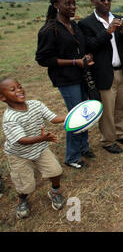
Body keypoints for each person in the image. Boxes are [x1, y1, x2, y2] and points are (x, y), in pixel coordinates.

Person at [36, 0, 93, 169]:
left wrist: (87, 57)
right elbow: (44, 59)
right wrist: (75, 62)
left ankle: (84, 147)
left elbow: (80, 48)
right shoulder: (49, 29)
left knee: (85, 114)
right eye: (67, 4)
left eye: (74, 3)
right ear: (56, 6)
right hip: (67, 79)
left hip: (82, 76)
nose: (72, 7)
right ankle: (72, 157)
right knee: (76, 117)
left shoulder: (74, 26)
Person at [78, 0, 123, 155]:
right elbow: (89, 46)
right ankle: (108, 140)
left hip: (121, 70)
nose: (106, 3)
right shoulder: (86, 23)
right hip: (103, 72)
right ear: (93, 1)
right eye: (102, 0)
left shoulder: (118, 19)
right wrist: (108, 31)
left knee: (122, 106)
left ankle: (120, 133)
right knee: (107, 110)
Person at [1, 78, 66, 219]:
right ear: (2, 97)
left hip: (40, 148)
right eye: (13, 90)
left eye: (19, 86)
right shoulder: (10, 118)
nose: (19, 90)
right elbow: (21, 140)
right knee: (26, 186)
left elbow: (53, 118)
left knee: (56, 171)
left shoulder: (36, 104)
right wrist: (43, 138)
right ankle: (22, 199)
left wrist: (70, 117)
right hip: (19, 155)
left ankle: (55, 191)